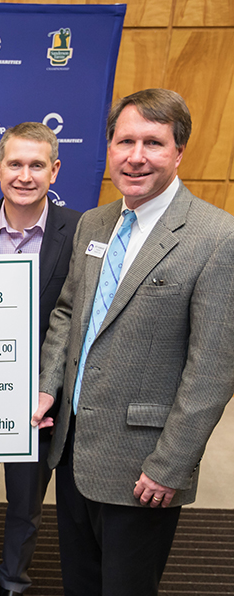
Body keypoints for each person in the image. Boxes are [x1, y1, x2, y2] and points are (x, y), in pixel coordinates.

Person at [32, 88, 234, 596]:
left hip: (145, 466)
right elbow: (67, 313)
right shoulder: (94, 223)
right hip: (73, 448)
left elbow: (212, 368)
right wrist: (46, 384)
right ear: (109, 148)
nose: (136, 156)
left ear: (179, 152)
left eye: (153, 143)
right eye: (125, 141)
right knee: (80, 583)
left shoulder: (217, 237)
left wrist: (171, 465)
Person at [0, 123, 80, 596]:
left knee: (27, 500)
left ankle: (15, 577)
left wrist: (48, 387)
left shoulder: (78, 229)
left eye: (37, 165)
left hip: (41, 396)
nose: (26, 175)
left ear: (54, 170)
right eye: (16, 164)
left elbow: (70, 317)